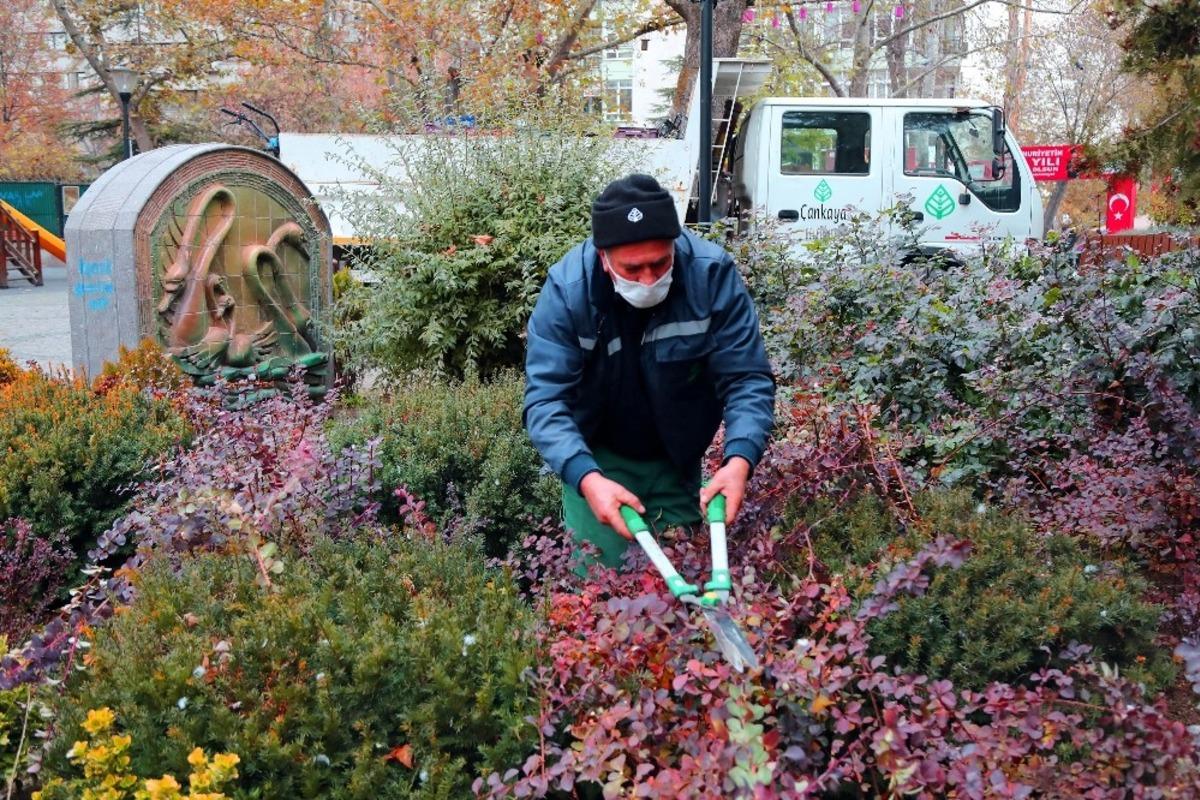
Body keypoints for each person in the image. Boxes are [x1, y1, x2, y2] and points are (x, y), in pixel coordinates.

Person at [523, 173, 776, 569]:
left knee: (680, 587)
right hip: (597, 459)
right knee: (597, 591)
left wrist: (738, 460)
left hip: (676, 461)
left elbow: (746, 377)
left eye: (660, 263)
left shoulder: (710, 275)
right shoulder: (568, 291)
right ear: (604, 258)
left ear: (675, 244)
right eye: (633, 268)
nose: (648, 279)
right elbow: (545, 401)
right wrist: (587, 478)